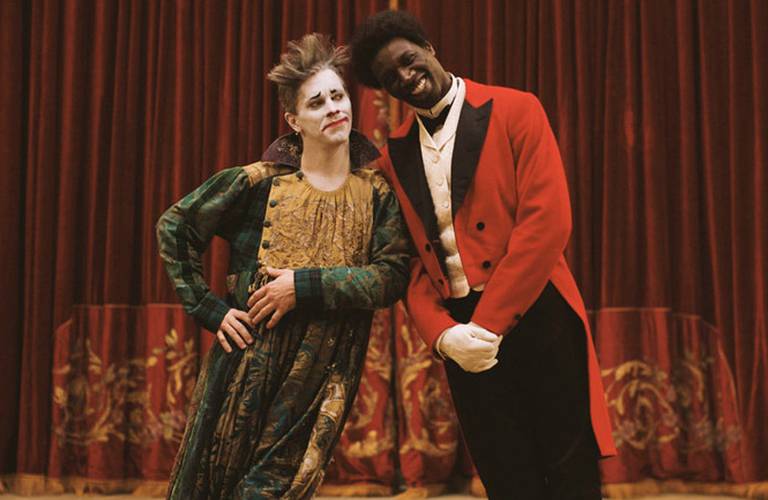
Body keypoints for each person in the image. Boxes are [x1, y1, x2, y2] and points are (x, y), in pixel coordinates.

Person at [350, 11, 616, 499]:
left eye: (408, 60)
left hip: (536, 310)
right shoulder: (393, 155)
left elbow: (547, 222)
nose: (405, 76)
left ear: (429, 48)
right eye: (390, 77)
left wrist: (487, 325)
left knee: (568, 466)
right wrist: (444, 335)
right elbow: (411, 263)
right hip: (462, 334)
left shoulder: (517, 109)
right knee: (503, 470)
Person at [156, 33, 410, 500]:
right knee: (211, 486)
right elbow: (175, 228)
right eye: (317, 103)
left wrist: (303, 286)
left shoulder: (377, 193)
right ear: (294, 120)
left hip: (327, 371)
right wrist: (211, 311)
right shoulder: (257, 183)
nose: (333, 108)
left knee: (277, 489)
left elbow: (391, 277)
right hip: (248, 368)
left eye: (338, 96)